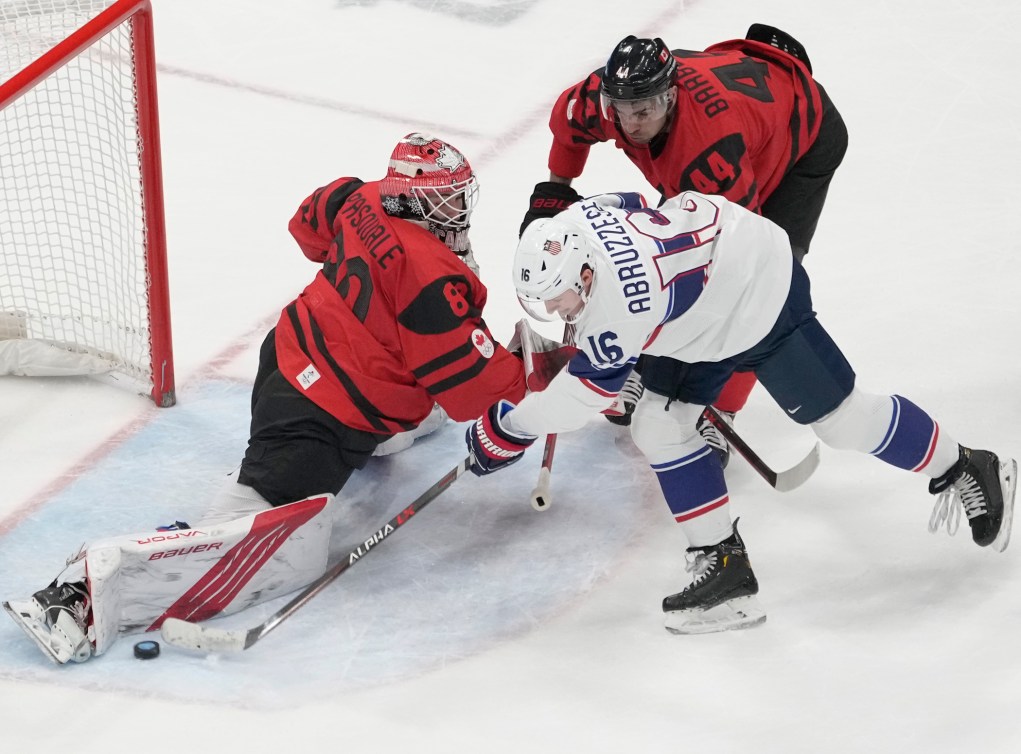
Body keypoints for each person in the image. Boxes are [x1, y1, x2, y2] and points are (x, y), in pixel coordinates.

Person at [4, 133, 528, 664]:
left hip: (287, 354)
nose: (458, 209)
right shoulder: (434, 280)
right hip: (324, 418)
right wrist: (538, 380)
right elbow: (474, 392)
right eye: (447, 196)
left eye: (459, 195)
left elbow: (307, 226)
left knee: (413, 409)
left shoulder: (360, 196)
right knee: (239, 526)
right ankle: (78, 596)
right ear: (414, 197)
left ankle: (383, 436)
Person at [466, 189, 1016, 634]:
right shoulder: (580, 222)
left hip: (759, 289)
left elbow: (580, 399)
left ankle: (965, 464)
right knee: (660, 424)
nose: (555, 312)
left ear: (585, 274)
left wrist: (508, 429)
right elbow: (631, 203)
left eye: (558, 298)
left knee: (842, 423)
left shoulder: (622, 304)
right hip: (706, 301)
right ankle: (725, 568)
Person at [519, 29, 849, 463]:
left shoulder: (709, 151)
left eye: (645, 110)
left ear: (670, 97)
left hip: (803, 132)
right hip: (744, 105)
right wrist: (555, 193)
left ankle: (721, 411)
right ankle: (647, 366)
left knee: (760, 289)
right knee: (663, 250)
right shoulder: (604, 98)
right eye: (622, 111)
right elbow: (568, 131)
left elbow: (742, 273)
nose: (632, 124)